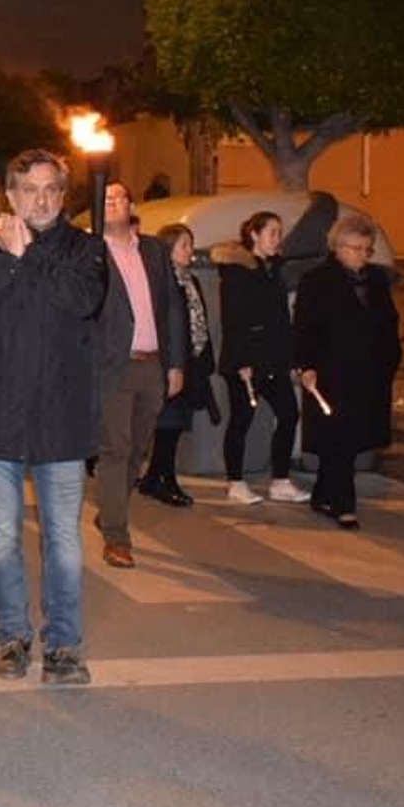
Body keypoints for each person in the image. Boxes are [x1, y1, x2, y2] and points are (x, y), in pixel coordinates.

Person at [0, 150, 106, 684]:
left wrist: (28, 256)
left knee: (63, 539)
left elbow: (81, 300)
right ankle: (13, 636)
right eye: (29, 190)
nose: (40, 199)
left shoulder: (86, 250)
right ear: (11, 197)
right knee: (1, 538)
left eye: (50, 189)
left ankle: (63, 645)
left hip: (60, 424)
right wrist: (9, 259)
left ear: (63, 197)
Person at [94, 182, 186, 567]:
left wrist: (176, 363)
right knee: (115, 449)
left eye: (120, 197)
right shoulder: (90, 253)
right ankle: (117, 536)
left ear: (131, 205)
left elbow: (172, 307)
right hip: (112, 366)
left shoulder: (154, 250)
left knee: (137, 450)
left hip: (152, 364)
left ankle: (110, 507)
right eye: (107, 198)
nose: (113, 202)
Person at [292, 214, 401, 530]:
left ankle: (324, 493)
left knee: (348, 441)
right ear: (337, 246)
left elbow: (388, 322)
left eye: (367, 249)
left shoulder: (377, 280)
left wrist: (391, 358)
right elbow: (304, 327)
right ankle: (343, 504)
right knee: (339, 438)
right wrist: (305, 364)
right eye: (355, 248)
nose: (361, 255)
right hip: (331, 373)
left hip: (369, 373)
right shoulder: (317, 280)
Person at [212, 211, 312, 506]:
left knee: (289, 414)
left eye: (280, 233)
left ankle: (280, 481)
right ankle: (236, 482)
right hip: (245, 362)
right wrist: (242, 362)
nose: (277, 239)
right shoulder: (237, 271)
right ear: (254, 235)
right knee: (242, 420)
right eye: (272, 232)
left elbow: (280, 319)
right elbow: (234, 319)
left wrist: (293, 358)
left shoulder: (273, 270)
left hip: (273, 360)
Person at [138, 223, 215, 507]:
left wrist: (205, 359)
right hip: (169, 364)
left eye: (191, 245)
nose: (190, 251)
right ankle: (164, 479)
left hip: (191, 362)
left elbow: (200, 323)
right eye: (184, 245)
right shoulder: (161, 282)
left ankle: (154, 477)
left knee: (175, 424)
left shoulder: (189, 280)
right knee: (168, 424)